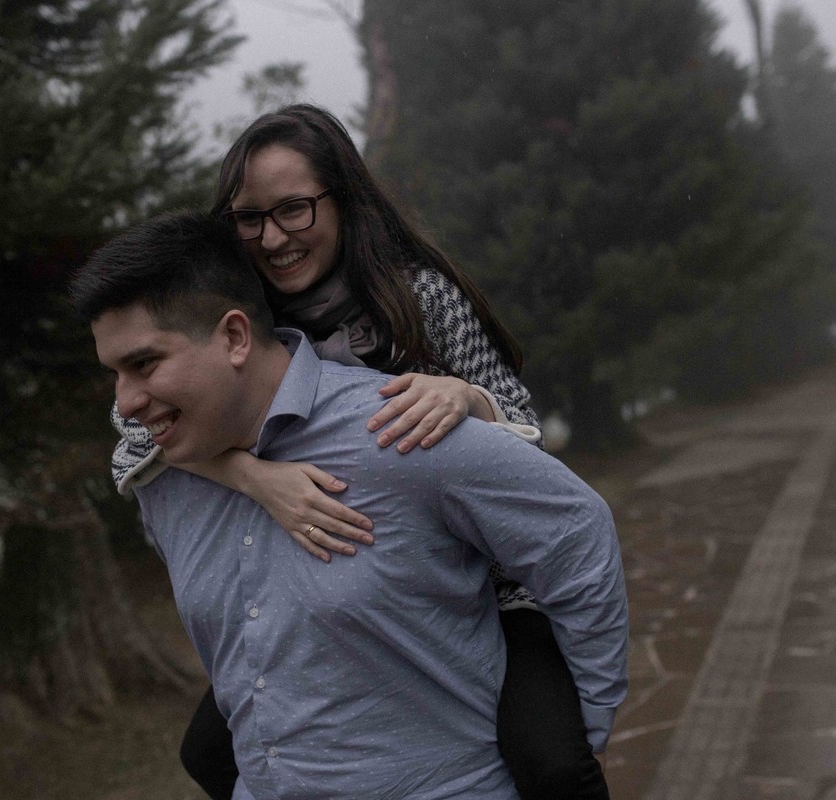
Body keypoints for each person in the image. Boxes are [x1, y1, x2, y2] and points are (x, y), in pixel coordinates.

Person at [108, 104, 608, 799]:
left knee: (555, 762)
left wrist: (469, 401)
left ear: (343, 200)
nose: (272, 237)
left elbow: (527, 431)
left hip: (485, 587)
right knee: (213, 756)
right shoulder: (241, 317)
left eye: (294, 209)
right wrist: (255, 478)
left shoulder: (418, 298)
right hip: (343, 588)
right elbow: (134, 440)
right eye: (248, 218)